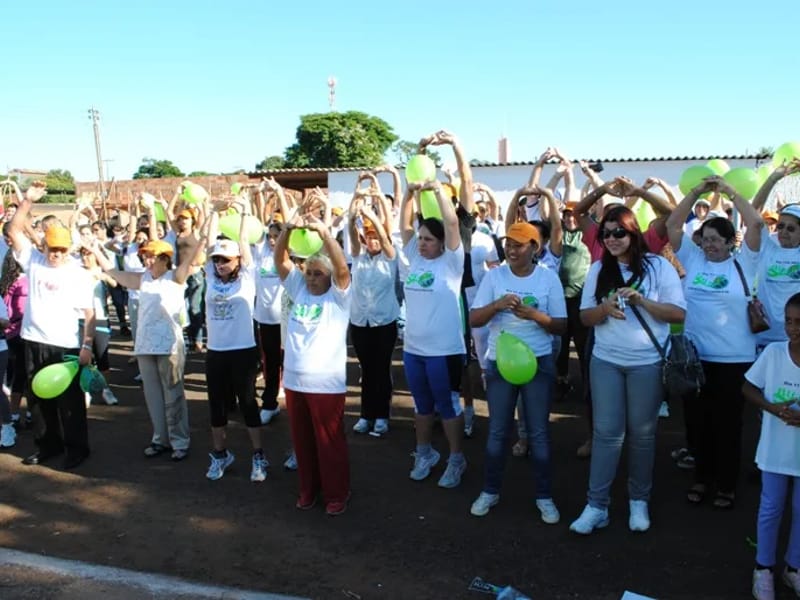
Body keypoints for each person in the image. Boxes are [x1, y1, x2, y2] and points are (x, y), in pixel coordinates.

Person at [569, 205, 685, 534]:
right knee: (606, 434)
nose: (612, 239)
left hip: (646, 361)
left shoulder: (658, 267)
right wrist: (604, 308)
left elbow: (677, 314)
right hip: (605, 360)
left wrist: (642, 302)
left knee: (643, 435)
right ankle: (596, 505)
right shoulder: (597, 270)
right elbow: (584, 318)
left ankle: (638, 501)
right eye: (606, 233)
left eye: (619, 232)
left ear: (633, 232)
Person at [666, 176, 762, 510]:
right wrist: (696, 192)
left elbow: (756, 222)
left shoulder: (746, 260)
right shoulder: (693, 259)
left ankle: (726, 484)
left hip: (734, 359)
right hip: (695, 358)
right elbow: (673, 224)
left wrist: (730, 192)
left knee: (728, 424)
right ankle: (701, 478)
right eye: (705, 239)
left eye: (716, 239)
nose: (709, 245)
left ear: (729, 241)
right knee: (697, 422)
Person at [469, 222, 567, 522]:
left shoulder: (548, 279)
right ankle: (490, 490)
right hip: (501, 362)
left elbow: (562, 325)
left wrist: (535, 315)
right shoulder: (494, 276)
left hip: (538, 362)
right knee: (498, 431)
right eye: (508, 244)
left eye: (519, 244)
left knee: (538, 432)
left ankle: (544, 496)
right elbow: (474, 319)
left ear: (535, 248)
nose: (511, 250)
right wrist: (498, 305)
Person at [8, 182, 96, 470]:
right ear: (43, 245)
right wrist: (28, 201)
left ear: (67, 249)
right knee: (38, 399)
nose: (55, 254)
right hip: (33, 340)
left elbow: (89, 312)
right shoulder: (33, 261)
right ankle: (48, 445)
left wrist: (86, 346)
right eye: (51, 248)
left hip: (65, 345)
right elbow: (13, 231)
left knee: (69, 403)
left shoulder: (77, 273)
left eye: (60, 249)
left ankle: (77, 449)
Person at [274, 212, 352, 515]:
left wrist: (324, 233)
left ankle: (337, 493)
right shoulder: (298, 289)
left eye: (318, 273)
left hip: (325, 384)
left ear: (329, 276)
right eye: (308, 272)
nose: (311, 278)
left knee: (329, 442)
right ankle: (308, 490)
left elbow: (343, 268)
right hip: (294, 381)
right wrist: (288, 229)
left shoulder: (338, 297)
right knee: (302, 442)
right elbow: (279, 261)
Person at [90, 238, 193, 461]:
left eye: (151, 256)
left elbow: (193, 256)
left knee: (173, 394)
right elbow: (112, 271)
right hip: (145, 346)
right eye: (144, 256)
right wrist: (95, 249)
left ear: (165, 259)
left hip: (169, 347)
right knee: (153, 396)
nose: (146, 260)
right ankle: (160, 439)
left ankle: (180, 441)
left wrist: (206, 229)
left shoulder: (175, 277)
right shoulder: (142, 278)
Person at [400, 179, 467, 488]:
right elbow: (403, 225)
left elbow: (451, 222)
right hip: (414, 350)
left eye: (429, 239)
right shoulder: (414, 256)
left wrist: (438, 191)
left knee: (448, 405)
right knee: (421, 406)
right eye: (421, 238)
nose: (422, 243)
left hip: (445, 350)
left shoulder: (452, 262)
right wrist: (409, 194)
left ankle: (456, 459)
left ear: (442, 243)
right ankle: (424, 453)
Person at [201, 205, 266, 482]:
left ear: (238, 260)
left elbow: (243, 243)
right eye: (217, 260)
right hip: (216, 352)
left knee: (248, 403)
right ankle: (220, 454)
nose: (220, 264)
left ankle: (259, 456)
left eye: (225, 260)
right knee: (216, 406)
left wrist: (242, 215)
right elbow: (206, 242)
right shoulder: (210, 277)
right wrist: (213, 212)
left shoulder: (249, 277)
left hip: (243, 351)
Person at [744, 293, 800, 600]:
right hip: (774, 451)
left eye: (799, 322)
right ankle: (763, 567)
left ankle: (793, 568)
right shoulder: (775, 353)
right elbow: (748, 387)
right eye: (789, 321)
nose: (793, 329)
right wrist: (771, 407)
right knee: (771, 508)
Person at [348, 177, 399, 436]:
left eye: (375, 235)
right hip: (360, 322)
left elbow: (385, 233)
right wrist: (356, 201)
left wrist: (376, 204)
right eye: (367, 236)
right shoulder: (357, 258)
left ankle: (382, 415)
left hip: (384, 323)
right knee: (366, 370)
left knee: (381, 369)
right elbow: (350, 229)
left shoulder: (390, 257)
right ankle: (366, 415)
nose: (372, 240)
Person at [0, 230, 29, 431]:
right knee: (21, 374)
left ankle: (13, 417)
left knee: (20, 374)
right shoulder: (18, 282)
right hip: (16, 333)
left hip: (14, 333)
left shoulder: (13, 280)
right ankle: (15, 415)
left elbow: (5, 315)